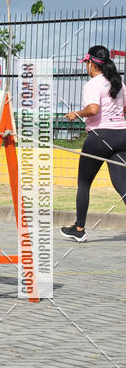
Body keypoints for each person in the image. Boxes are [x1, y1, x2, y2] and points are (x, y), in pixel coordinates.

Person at [61, 45, 126, 241]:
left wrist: (76, 114)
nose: (86, 67)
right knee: (123, 185)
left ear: (91, 64)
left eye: (86, 64)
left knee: (84, 183)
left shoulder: (92, 84)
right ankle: (78, 229)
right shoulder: (119, 84)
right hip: (122, 136)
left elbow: (93, 109)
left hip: (100, 137)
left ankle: (79, 230)